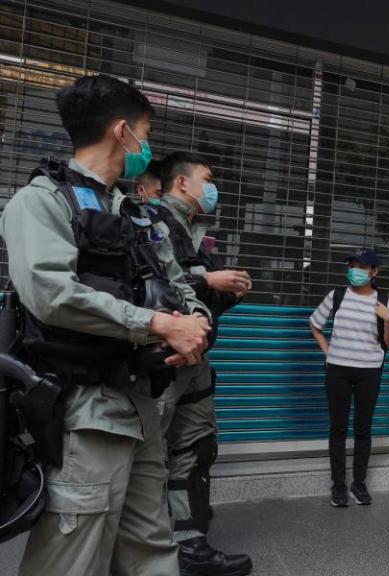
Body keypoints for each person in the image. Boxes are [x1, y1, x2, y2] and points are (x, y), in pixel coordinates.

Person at [0, 74, 211, 576]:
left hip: (142, 406)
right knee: (72, 558)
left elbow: (181, 284)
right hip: (87, 413)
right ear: (122, 132)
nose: (148, 146)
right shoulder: (42, 201)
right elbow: (52, 295)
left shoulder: (139, 212)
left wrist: (195, 328)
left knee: (152, 549)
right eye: (146, 132)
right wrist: (157, 323)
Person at [153, 151, 254, 576]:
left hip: (196, 364)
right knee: (145, 456)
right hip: (161, 363)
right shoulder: (152, 220)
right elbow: (154, 287)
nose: (212, 188)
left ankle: (191, 544)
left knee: (196, 449)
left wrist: (224, 291)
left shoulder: (195, 231)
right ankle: (144, 547)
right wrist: (208, 281)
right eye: (207, 179)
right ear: (182, 183)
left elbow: (197, 302)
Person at [310, 248, 389, 508]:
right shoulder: (337, 296)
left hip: (369, 371)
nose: (355, 270)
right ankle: (338, 486)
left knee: (363, 429)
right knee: (338, 428)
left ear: (374, 272)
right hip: (338, 370)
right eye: (352, 266)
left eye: (361, 266)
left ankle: (359, 484)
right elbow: (315, 324)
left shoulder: (383, 301)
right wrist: (328, 352)